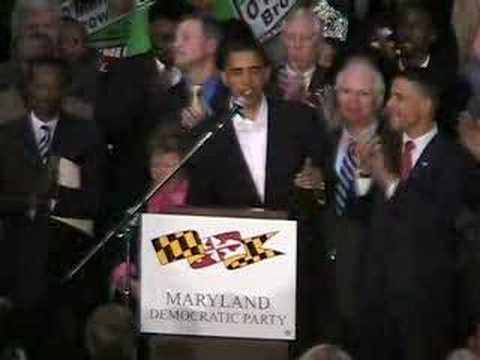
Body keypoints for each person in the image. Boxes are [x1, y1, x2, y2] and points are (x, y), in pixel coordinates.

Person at [356, 69, 478, 360]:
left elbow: (432, 225)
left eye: (400, 98)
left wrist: (390, 182)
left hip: (425, 313)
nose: (389, 106)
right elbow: (359, 218)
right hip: (376, 307)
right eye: (390, 97)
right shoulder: (382, 149)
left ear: (425, 105)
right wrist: (362, 172)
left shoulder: (454, 161)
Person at [0, 57, 107, 360]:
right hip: (16, 248)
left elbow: (96, 199)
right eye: (39, 87)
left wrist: (51, 204)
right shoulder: (4, 136)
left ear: (65, 91)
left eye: (53, 88)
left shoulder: (87, 134)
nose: (45, 95)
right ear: (26, 89)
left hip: (69, 248)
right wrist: (28, 204)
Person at [315, 56, 393, 350]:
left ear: (379, 100)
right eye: (346, 92)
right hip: (326, 280)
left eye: (363, 94)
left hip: (374, 281)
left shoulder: (395, 145)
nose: (353, 101)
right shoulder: (323, 139)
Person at [269, 7, 332, 106]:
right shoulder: (269, 79)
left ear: (318, 42)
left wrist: (302, 98)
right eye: (291, 38)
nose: (297, 45)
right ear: (283, 40)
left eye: (305, 38)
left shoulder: (330, 80)